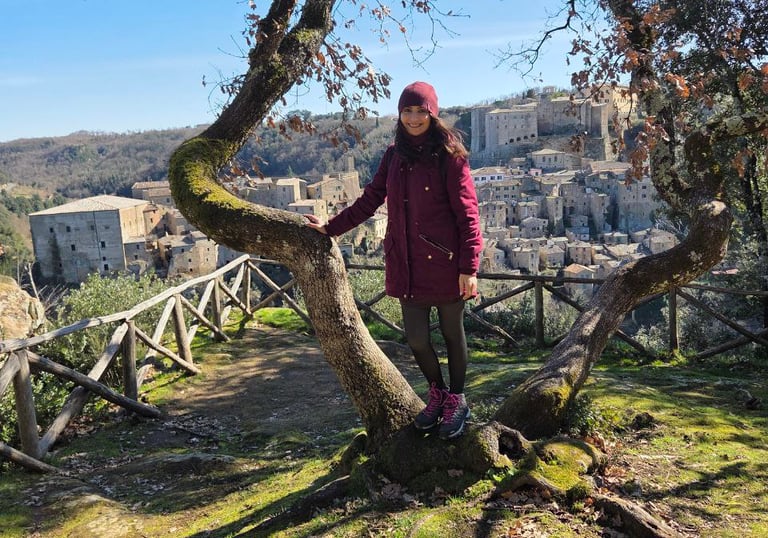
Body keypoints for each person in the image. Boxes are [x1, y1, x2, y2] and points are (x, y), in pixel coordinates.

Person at [305, 81, 483, 440]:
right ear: (399, 115)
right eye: (408, 111)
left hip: (447, 264)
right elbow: (371, 198)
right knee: (416, 339)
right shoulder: (393, 156)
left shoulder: (451, 156)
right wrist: (332, 228)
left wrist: (469, 268)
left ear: (433, 114)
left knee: (452, 335)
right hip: (407, 264)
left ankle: (457, 400)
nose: (414, 118)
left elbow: (468, 214)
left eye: (421, 111)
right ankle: (437, 394)